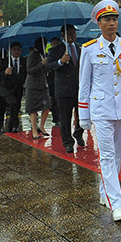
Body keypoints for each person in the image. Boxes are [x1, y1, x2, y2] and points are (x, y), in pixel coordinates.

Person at [78, 0, 121, 221]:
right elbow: (84, 84)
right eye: (107, 19)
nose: (112, 23)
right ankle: (117, 204)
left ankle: (105, 192)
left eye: (114, 19)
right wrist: (83, 113)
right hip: (101, 109)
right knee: (106, 156)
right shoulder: (90, 50)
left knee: (116, 154)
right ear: (99, 23)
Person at [46, 24, 85, 153]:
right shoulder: (55, 50)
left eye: (74, 33)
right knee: (65, 118)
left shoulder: (80, 48)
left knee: (82, 115)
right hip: (63, 90)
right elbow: (48, 67)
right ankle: (68, 142)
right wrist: (60, 62)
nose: (73, 35)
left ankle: (78, 133)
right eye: (70, 33)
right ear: (63, 35)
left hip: (79, 88)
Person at [25, 38, 51, 139]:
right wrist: (41, 64)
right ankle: (34, 130)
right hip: (33, 85)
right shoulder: (32, 56)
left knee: (47, 106)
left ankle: (42, 126)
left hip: (43, 84)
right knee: (33, 109)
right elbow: (30, 70)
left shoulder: (44, 55)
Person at [0, 41, 26, 133]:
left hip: (18, 89)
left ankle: (11, 127)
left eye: (18, 49)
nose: (16, 51)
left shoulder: (23, 61)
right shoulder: (4, 61)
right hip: (7, 89)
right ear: (10, 50)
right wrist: (5, 73)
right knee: (13, 104)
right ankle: (15, 126)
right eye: (14, 49)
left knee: (16, 107)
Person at [46, 36, 60, 127]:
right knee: (54, 100)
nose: (55, 45)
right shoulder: (49, 53)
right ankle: (56, 118)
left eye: (57, 43)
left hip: (61, 80)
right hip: (51, 80)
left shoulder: (62, 53)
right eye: (53, 44)